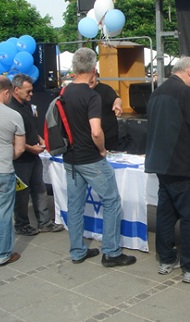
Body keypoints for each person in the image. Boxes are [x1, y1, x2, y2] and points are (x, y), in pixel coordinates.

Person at [145, 56, 190, 283]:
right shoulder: (186, 93)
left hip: (162, 163)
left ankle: (167, 258)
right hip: (184, 164)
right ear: (189, 71)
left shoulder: (157, 92)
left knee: (166, 213)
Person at [62, 47, 136, 267]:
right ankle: (111, 252)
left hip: (71, 157)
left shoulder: (64, 93)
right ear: (94, 69)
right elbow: (96, 130)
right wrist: (102, 150)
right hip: (90, 157)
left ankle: (77, 250)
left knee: (74, 205)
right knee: (111, 200)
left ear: (75, 68)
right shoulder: (91, 95)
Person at [8, 74, 65, 235]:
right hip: (20, 158)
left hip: (34, 155)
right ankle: (21, 224)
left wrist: (40, 140)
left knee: (39, 189)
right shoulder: (11, 109)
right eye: (28, 91)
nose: (31, 94)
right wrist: (30, 148)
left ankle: (45, 222)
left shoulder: (27, 106)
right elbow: (11, 138)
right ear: (16, 90)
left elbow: (32, 128)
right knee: (21, 194)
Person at [0, 75, 26, 266]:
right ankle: (2, 254)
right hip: (2, 168)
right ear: (6, 92)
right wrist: (5, 156)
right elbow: (20, 148)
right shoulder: (14, 115)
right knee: (3, 213)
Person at [89, 72, 123, 151]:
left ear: (97, 76)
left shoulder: (105, 89)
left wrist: (117, 104)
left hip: (109, 135)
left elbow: (117, 99)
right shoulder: (83, 91)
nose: (90, 80)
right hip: (89, 137)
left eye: (92, 77)